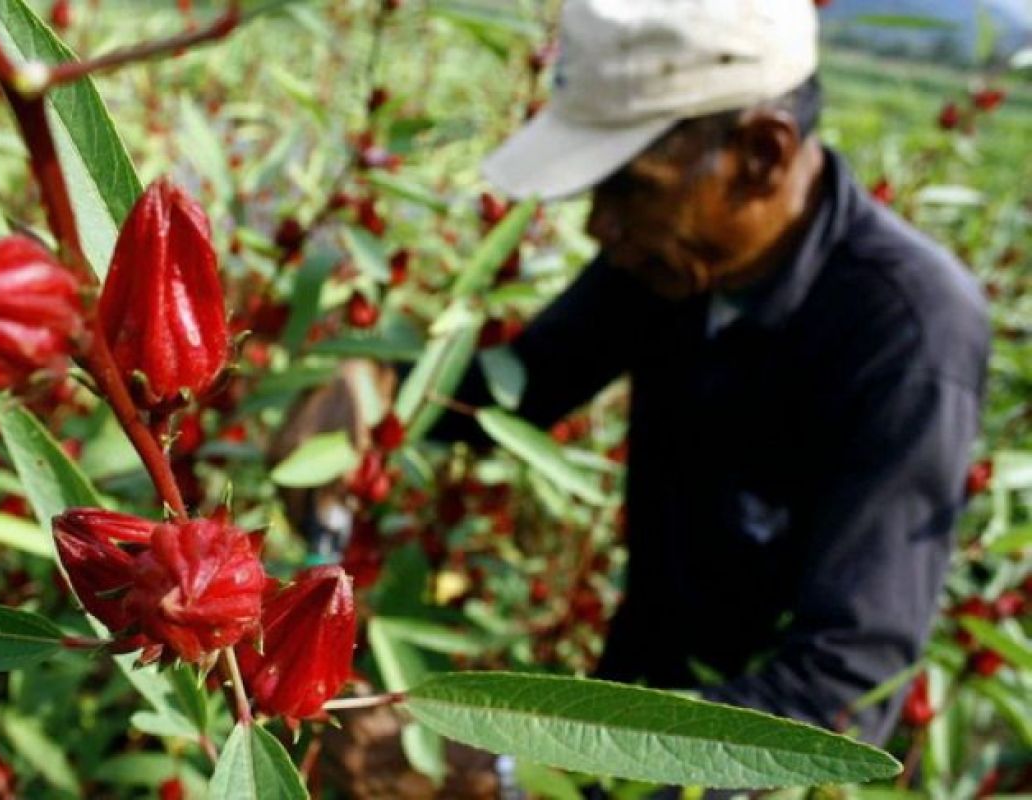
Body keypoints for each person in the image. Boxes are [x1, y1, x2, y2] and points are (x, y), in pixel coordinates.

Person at [276, 0, 990, 796]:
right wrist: (370, 381)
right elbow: (516, 390)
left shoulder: (910, 333)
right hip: (629, 705)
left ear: (760, 154)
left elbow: (838, 700)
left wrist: (513, 774)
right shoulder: (669, 261)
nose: (598, 226)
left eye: (626, 188)